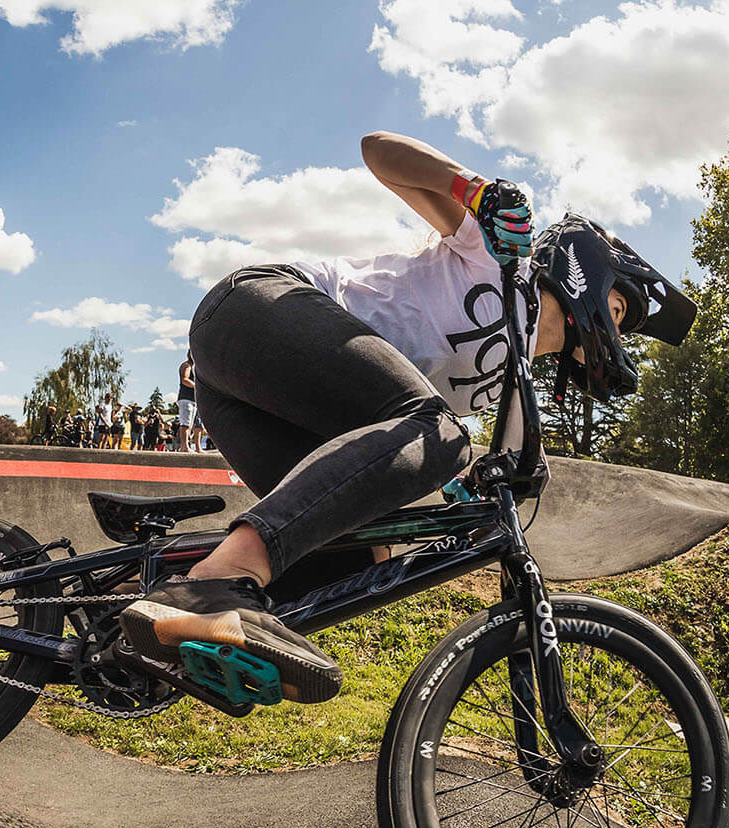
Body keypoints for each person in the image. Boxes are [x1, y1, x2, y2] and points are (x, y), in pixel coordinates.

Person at [119, 130, 697, 705]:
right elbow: (377, 150)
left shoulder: (511, 380)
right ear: (588, 280)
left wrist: (482, 491)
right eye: (619, 312)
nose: (616, 335)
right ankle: (213, 589)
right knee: (442, 432)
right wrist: (473, 191)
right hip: (255, 314)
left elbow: (497, 469)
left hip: (257, 401)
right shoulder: (501, 261)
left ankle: (137, 616)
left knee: (357, 556)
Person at [176, 350, 197, 451]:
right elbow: (185, 379)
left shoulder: (194, 367)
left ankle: (186, 445)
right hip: (186, 398)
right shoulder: (187, 365)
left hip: (193, 400)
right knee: (185, 423)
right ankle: (184, 446)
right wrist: (197, 386)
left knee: (190, 424)